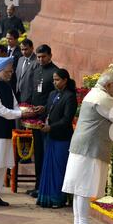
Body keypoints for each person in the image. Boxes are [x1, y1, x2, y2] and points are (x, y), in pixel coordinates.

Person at [62, 72, 113, 224]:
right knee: (83, 188)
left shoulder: (94, 94)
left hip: (81, 146)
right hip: (90, 148)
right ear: (109, 85)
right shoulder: (102, 98)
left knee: (79, 188)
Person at [0, 57, 37, 208]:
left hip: (4, 131)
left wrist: (24, 111)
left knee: (1, 165)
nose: (10, 74)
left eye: (11, 71)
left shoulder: (7, 86)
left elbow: (15, 105)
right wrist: (20, 114)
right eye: (8, 71)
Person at [36, 69, 77, 208]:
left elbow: (67, 120)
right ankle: (45, 198)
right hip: (49, 136)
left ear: (65, 80)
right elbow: (49, 110)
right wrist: (42, 110)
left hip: (62, 138)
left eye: (57, 80)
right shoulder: (53, 94)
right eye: (53, 80)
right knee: (48, 167)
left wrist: (51, 127)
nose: (55, 82)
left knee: (59, 168)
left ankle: (58, 199)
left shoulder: (70, 96)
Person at [28, 44, 59, 198]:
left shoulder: (55, 72)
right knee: (38, 152)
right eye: (38, 57)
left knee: (45, 152)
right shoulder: (36, 69)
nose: (40, 60)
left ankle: (43, 186)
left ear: (50, 56)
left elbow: (56, 96)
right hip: (34, 117)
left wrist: (45, 108)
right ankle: (37, 185)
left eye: (43, 57)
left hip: (47, 119)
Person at [15, 39, 37, 104]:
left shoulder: (37, 62)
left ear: (32, 48)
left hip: (29, 97)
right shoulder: (20, 59)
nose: (24, 52)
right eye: (22, 50)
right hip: (18, 94)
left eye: (26, 49)